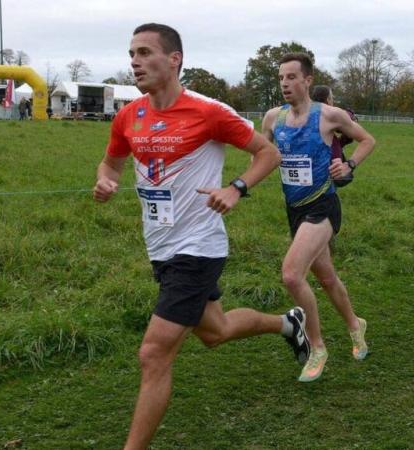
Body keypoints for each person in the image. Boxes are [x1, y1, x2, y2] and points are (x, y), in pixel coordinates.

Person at [93, 24, 310, 450]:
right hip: (161, 246)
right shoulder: (128, 115)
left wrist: (236, 188)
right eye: (131, 53)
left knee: (153, 354)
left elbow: (268, 153)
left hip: (199, 246)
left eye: (144, 52)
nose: (134, 61)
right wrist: (104, 182)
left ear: (174, 59)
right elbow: (111, 166)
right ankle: (288, 323)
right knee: (215, 331)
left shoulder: (208, 110)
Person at [262, 53, 375, 382]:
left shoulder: (329, 116)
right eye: (281, 77)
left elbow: (368, 140)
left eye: (292, 77)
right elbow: (258, 152)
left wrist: (349, 165)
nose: (285, 83)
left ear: (308, 80)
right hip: (294, 211)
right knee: (326, 279)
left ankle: (316, 347)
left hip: (323, 205)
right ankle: (355, 324)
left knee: (291, 275)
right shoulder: (273, 119)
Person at [311, 84, 356, 187]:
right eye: (332, 98)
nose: (333, 101)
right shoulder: (328, 115)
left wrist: (343, 141)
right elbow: (345, 117)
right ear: (328, 99)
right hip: (331, 165)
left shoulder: (309, 115)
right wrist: (350, 113)